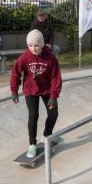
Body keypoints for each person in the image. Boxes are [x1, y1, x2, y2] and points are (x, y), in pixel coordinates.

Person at [10, 29, 63, 159]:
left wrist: (54, 95)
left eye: (37, 45)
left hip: (47, 90)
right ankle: (32, 144)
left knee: (53, 113)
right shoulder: (24, 58)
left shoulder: (50, 58)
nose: (33, 48)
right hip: (30, 90)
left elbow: (56, 77)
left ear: (43, 44)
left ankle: (46, 136)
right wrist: (14, 90)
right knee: (33, 115)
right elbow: (15, 73)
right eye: (30, 45)